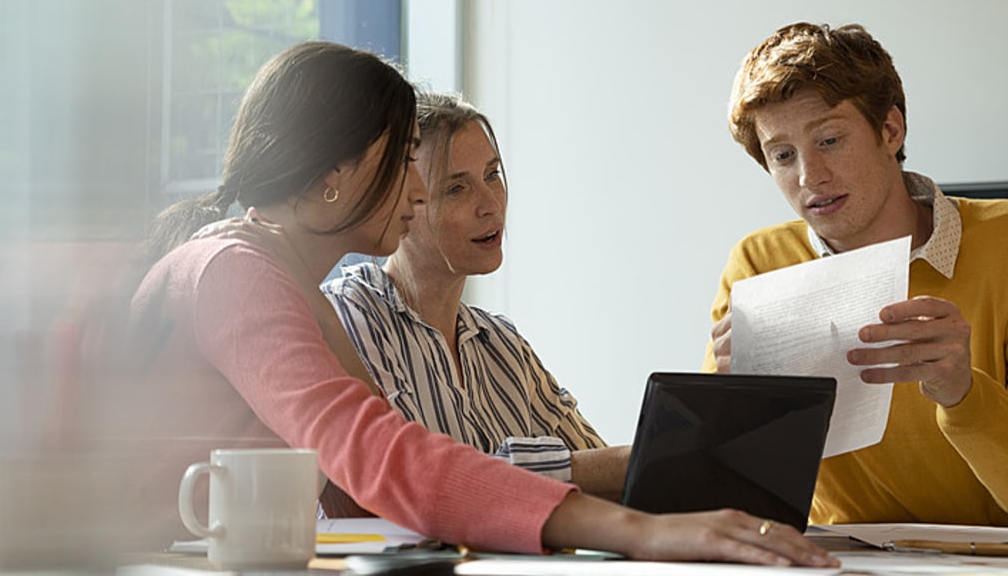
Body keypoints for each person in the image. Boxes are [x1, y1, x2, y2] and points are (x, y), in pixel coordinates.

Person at [120, 40, 835, 565]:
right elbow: (381, 459)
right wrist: (644, 530)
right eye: (406, 162)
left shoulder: (288, 285)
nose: (422, 191)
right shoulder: (231, 270)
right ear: (335, 175)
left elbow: (370, 498)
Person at [704, 22, 1008, 528]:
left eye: (829, 140)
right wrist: (725, 406)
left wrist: (962, 392)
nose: (810, 177)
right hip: (833, 563)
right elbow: (718, 495)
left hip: (1004, 563)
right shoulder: (760, 263)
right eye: (783, 155)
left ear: (890, 131)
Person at [321, 92, 630, 499]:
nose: (490, 205)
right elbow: (419, 479)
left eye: (492, 174)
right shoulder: (349, 317)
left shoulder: (502, 344)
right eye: (456, 189)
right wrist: (578, 470)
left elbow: (606, 472)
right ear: (402, 200)